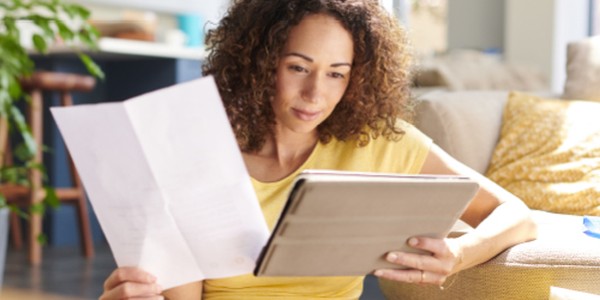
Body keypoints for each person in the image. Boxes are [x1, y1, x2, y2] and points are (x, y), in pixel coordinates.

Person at [100, 0, 537, 299]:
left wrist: (459, 255)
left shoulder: (381, 142)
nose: (314, 94)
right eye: (298, 68)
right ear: (259, 62)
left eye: (336, 74)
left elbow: (516, 215)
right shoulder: (198, 150)